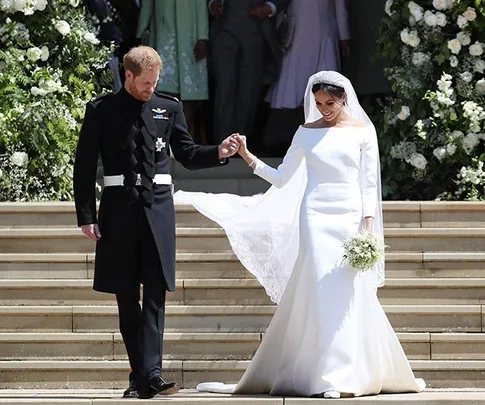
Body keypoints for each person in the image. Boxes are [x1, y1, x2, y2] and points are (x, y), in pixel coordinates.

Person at [175, 71, 426, 398]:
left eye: (330, 103)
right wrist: (248, 156)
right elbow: (281, 178)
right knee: (321, 291)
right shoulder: (305, 133)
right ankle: (327, 377)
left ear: (344, 99)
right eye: (319, 103)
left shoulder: (363, 132)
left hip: (349, 216)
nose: (324, 109)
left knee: (349, 292)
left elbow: (367, 182)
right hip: (315, 215)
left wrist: (367, 226)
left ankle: (352, 372)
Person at [73, 45, 239, 399]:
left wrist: (219, 153)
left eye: (154, 82)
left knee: (155, 295)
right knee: (126, 296)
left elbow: (188, 154)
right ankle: (139, 375)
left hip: (158, 210)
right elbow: (84, 165)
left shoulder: (169, 106)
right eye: (144, 83)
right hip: (117, 211)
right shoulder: (101, 110)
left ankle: (152, 374)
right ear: (128, 75)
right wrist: (85, 215)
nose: (150, 88)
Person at [263, 0, 351, 154]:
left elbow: (339, 5)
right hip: (297, 31)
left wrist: (344, 37)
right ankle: (285, 139)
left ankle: (322, 140)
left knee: (322, 86)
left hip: (324, 33)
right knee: (292, 87)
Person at [208, 0, 289, 143]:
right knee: (224, 87)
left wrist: (270, 7)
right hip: (224, 29)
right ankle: (222, 141)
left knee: (249, 90)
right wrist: (212, 3)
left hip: (256, 29)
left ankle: (241, 141)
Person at [137, 0, 210, 142]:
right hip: (163, 37)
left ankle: (186, 143)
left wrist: (203, 37)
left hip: (190, 38)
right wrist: (140, 34)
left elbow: (201, 6)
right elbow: (147, 4)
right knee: (160, 91)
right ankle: (159, 141)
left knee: (190, 99)